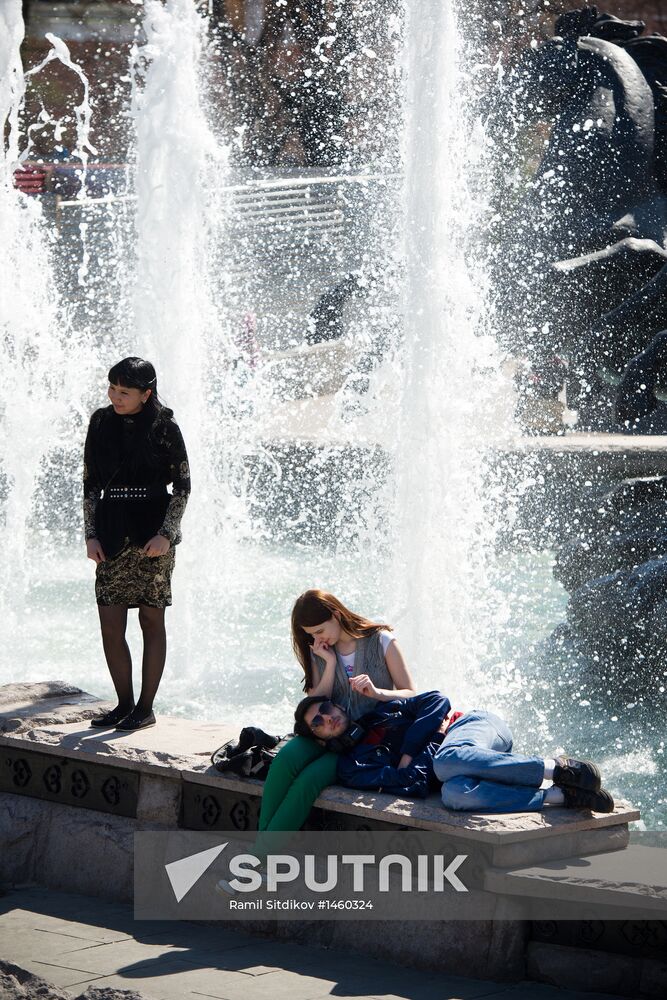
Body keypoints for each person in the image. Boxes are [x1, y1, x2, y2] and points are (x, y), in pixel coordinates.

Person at [256, 589, 417, 845]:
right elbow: (313, 705)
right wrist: (329, 665)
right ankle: (260, 857)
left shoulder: (382, 641)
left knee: (309, 781)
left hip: (364, 741)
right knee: (284, 760)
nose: (318, 638)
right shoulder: (319, 650)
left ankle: (258, 861)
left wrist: (377, 692)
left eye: (320, 630)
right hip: (324, 733)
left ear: (336, 614)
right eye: (311, 634)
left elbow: (411, 694)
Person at [83, 357, 190, 732]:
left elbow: (183, 486)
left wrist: (167, 533)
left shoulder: (164, 426)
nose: (115, 397)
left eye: (124, 392)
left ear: (146, 393)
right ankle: (123, 704)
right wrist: (90, 534)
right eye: (112, 388)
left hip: (153, 535)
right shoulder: (99, 421)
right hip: (111, 532)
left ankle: (145, 708)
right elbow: (90, 485)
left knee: (150, 618)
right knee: (110, 624)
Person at [293, 690, 615, 813]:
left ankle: (558, 768)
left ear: (334, 703)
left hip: (476, 726)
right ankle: (562, 796)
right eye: (318, 723)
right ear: (320, 739)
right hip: (453, 761)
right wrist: (433, 736)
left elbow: (437, 701)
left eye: (325, 708)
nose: (327, 717)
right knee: (455, 796)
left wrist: (409, 748)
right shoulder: (353, 767)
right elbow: (415, 781)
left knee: (446, 761)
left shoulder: (381, 710)